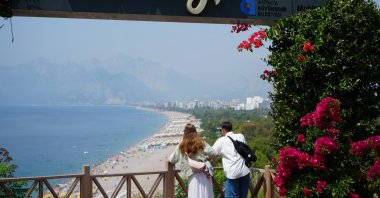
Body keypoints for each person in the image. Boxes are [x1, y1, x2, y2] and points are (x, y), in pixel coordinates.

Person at [168, 123, 216, 198]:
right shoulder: (201, 143)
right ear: (195, 132)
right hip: (204, 173)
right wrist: (207, 159)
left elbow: (171, 160)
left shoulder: (181, 145)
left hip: (192, 174)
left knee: (195, 194)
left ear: (185, 133)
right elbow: (214, 153)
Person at [212, 121, 251, 198]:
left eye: (220, 130)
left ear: (223, 130)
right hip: (245, 171)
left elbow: (211, 153)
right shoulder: (241, 136)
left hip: (232, 174)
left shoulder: (221, 140)